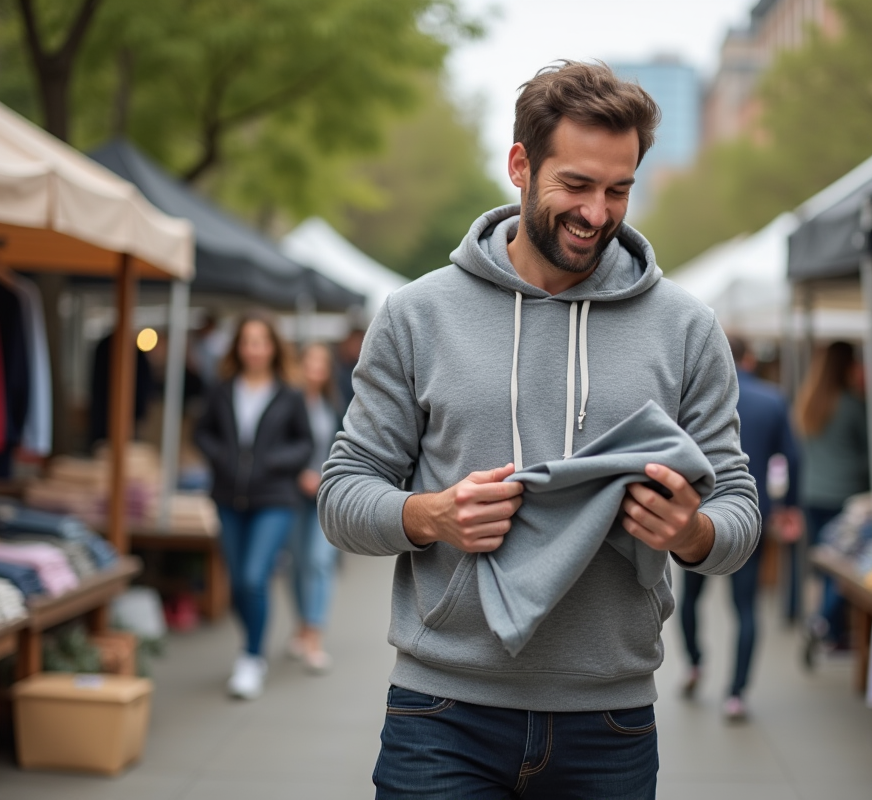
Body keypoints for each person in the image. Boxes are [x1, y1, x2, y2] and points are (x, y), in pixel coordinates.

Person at [318, 61, 760, 798]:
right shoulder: (416, 315)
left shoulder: (687, 328)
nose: (597, 213)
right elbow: (342, 497)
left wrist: (692, 533)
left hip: (610, 722)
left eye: (618, 190)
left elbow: (739, 508)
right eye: (576, 185)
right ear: (521, 165)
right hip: (442, 715)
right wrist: (430, 515)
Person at [678, 335, 801, 721]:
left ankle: (696, 663)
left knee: (690, 598)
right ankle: (737, 692)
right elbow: (792, 459)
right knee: (745, 607)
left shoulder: (693, 397)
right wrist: (788, 505)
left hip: (693, 517)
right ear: (749, 358)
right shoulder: (772, 399)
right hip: (751, 516)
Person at [194, 312, 313, 700]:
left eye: (261, 341)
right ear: (238, 347)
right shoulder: (222, 389)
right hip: (228, 497)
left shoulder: (289, 394)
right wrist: (223, 458)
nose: (254, 349)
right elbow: (201, 432)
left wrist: (270, 462)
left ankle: (251, 657)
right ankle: (253, 642)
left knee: (252, 577)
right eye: (247, 341)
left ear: (272, 347)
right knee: (235, 585)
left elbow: (304, 444)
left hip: (274, 498)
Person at [794, 340, 869, 662]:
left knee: (827, 566)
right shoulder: (852, 405)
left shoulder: (808, 401)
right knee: (845, 568)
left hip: (812, 494)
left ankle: (830, 628)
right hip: (846, 496)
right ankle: (824, 622)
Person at [288, 342, 342, 673]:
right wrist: (298, 475)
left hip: (324, 495)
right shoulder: (288, 403)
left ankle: (314, 636)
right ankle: (302, 623)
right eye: (310, 363)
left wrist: (325, 478)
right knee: (296, 563)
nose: (315, 370)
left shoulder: (333, 405)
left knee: (319, 561)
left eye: (321, 364)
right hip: (293, 494)